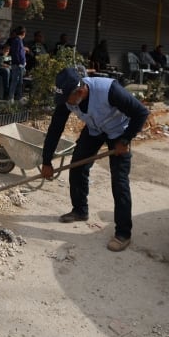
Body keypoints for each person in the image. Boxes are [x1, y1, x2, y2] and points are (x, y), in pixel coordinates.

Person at [41, 67, 149, 252]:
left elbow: (141, 113)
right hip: (94, 130)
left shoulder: (110, 90)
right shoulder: (68, 97)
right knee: (77, 167)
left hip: (119, 132)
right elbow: (55, 129)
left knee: (119, 181)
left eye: (67, 99)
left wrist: (125, 140)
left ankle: (123, 234)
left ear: (80, 91)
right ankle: (80, 210)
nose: (65, 103)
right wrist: (46, 161)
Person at [7, 25, 27, 101]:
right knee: (15, 81)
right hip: (18, 64)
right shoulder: (17, 41)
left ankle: (19, 96)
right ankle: (11, 97)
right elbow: (17, 53)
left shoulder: (18, 41)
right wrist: (20, 63)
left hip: (19, 64)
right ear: (24, 33)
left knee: (19, 81)